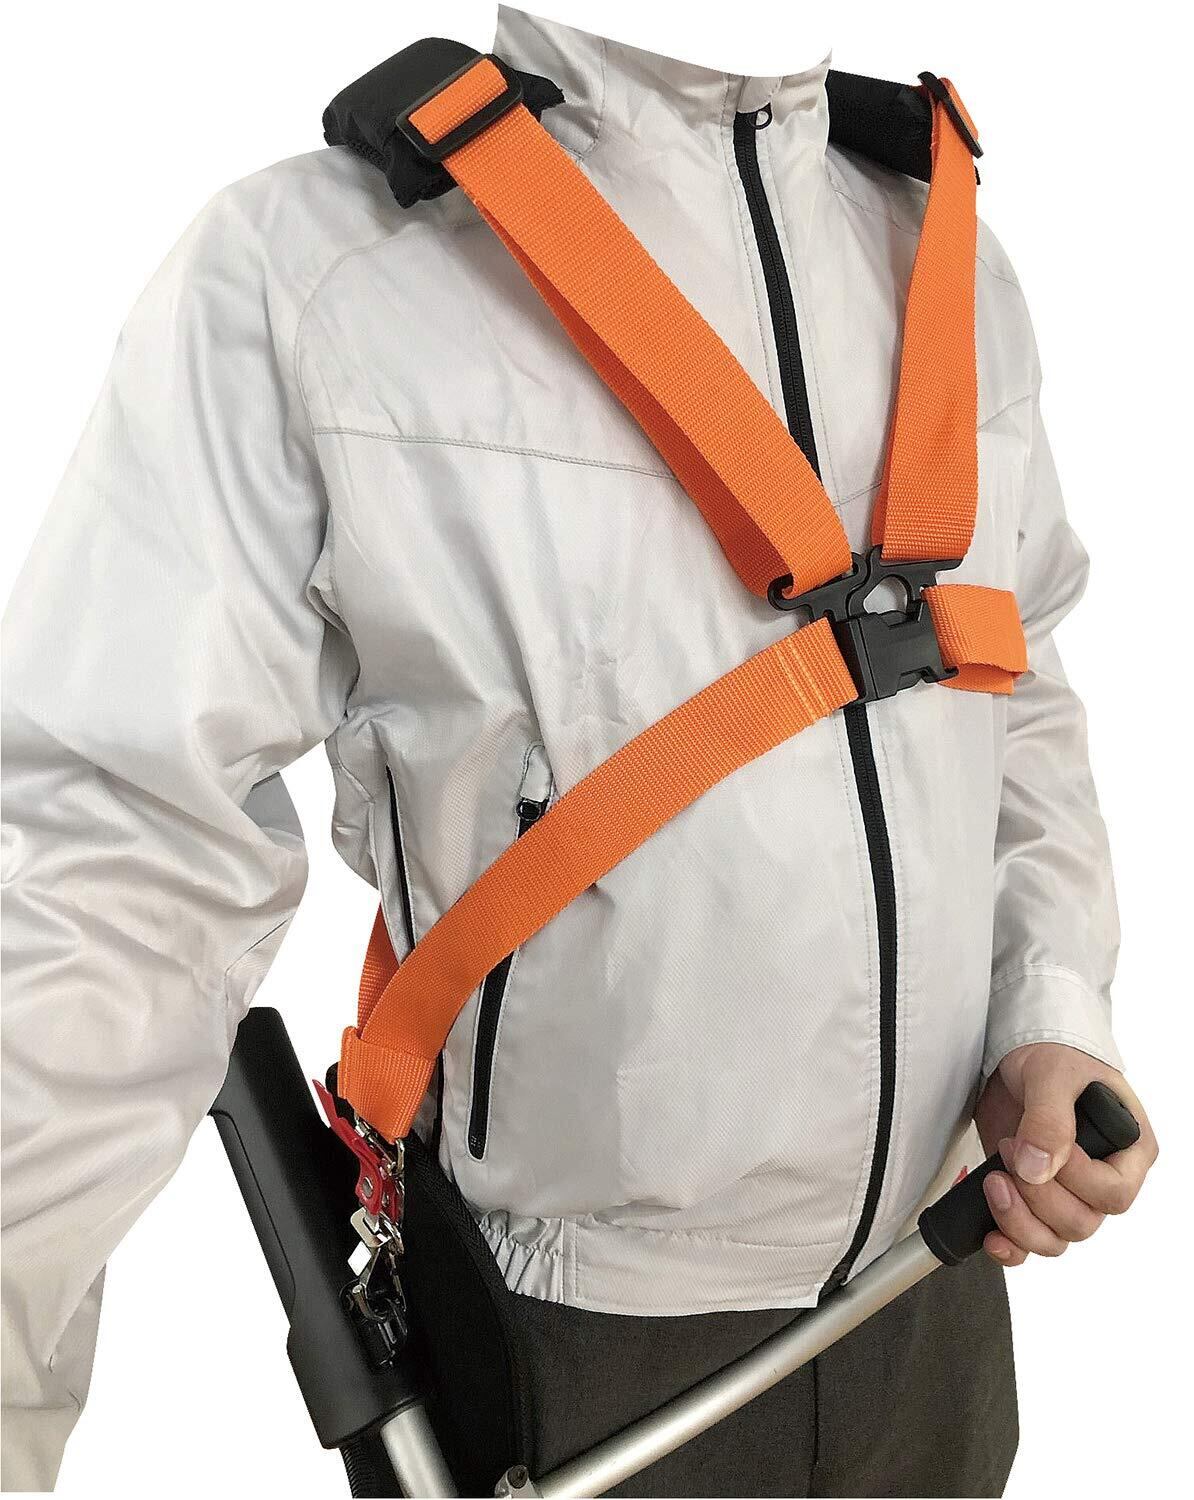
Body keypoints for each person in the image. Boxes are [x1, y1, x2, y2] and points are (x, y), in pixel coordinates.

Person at [1, 6, 1158, 1495]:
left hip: (935, 1299)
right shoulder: (324, 271)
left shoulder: (937, 252)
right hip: (576, 1339)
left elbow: (1012, 679)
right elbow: (106, 863)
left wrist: (1047, 1009)